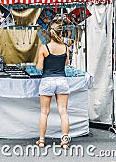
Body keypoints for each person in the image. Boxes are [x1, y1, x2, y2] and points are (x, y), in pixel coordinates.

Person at [35, 21, 70, 149]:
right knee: (63, 112)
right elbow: (66, 64)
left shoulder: (44, 48)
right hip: (61, 80)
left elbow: (39, 68)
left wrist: (40, 62)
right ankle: (65, 141)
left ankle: (42, 140)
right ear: (61, 32)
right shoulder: (66, 48)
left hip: (47, 80)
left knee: (44, 112)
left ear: (50, 33)